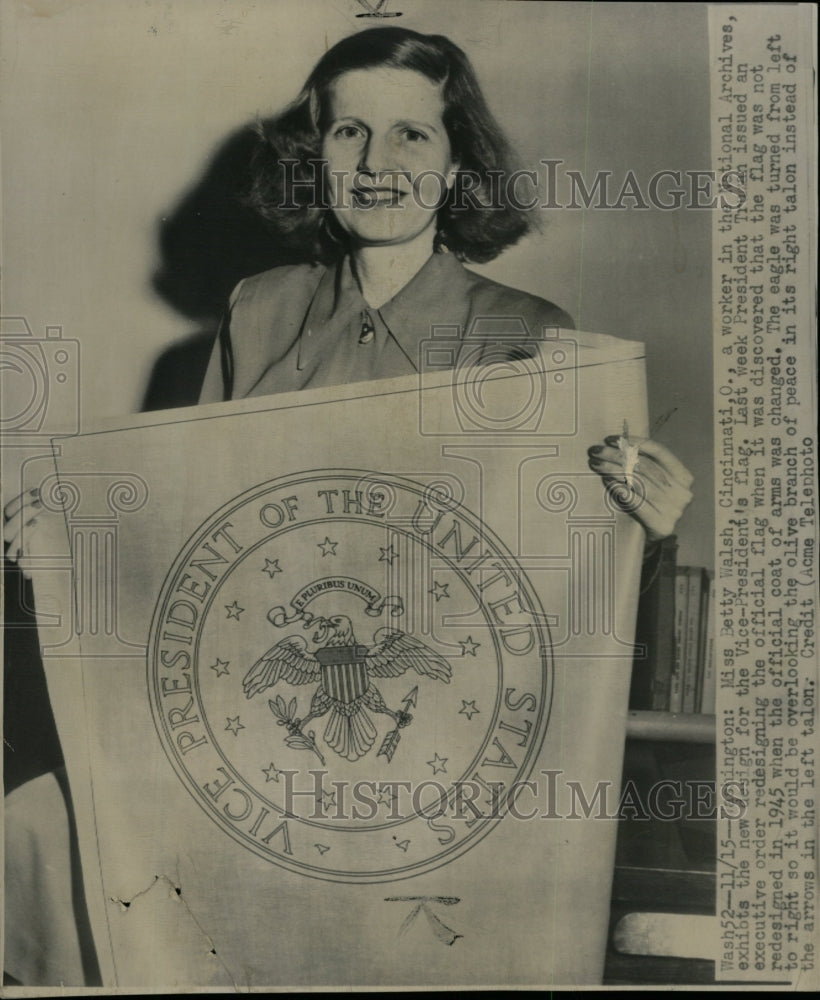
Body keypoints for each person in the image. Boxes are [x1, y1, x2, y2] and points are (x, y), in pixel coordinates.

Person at [3, 25, 693, 986]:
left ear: (457, 165)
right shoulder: (259, 309)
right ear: (313, 154)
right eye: (348, 133)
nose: (377, 164)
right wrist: (69, 545)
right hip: (241, 744)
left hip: (437, 778)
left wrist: (647, 531)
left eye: (413, 135)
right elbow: (187, 549)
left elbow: (562, 603)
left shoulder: (531, 338)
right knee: (29, 831)